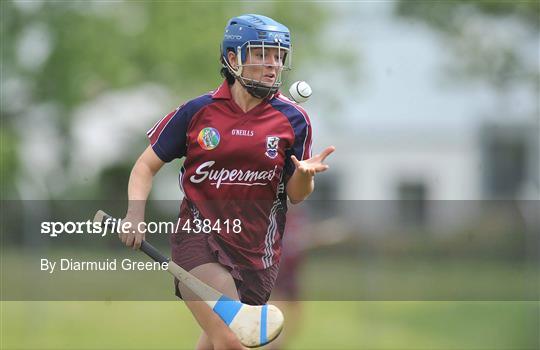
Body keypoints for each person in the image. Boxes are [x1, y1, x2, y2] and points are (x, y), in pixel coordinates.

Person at [119, 14, 335, 350]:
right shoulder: (197, 112)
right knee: (235, 341)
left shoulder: (294, 120)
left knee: (217, 344)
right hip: (199, 244)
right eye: (262, 54)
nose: (273, 65)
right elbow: (144, 167)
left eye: (278, 56)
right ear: (233, 59)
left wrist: (304, 178)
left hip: (257, 256)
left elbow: (296, 196)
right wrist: (135, 214)